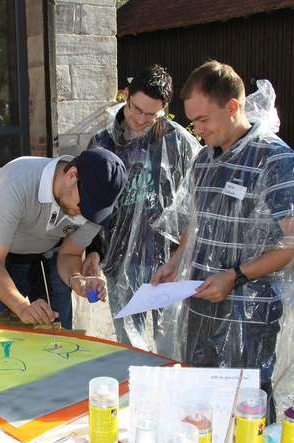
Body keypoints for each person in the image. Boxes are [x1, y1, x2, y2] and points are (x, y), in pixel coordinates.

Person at [151, 61, 294, 408]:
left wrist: (235, 276)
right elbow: (198, 221)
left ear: (233, 107)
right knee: (199, 406)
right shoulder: (204, 160)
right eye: (193, 122)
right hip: (200, 305)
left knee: (247, 409)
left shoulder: (276, 160)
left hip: (249, 313)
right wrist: (176, 263)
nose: (198, 129)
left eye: (204, 120)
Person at [83, 64, 201, 350]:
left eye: (151, 114)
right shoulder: (102, 142)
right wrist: (93, 251)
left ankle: (170, 393)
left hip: (168, 258)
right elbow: (89, 200)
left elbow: (196, 200)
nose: (140, 119)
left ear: (164, 108)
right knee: (128, 344)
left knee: (171, 342)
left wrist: (183, 255)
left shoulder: (178, 141)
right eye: (135, 109)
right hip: (119, 256)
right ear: (126, 95)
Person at [0, 148, 126, 329]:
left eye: (94, 211)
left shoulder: (94, 206)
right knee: (4, 333)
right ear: (71, 175)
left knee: (59, 332)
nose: (85, 214)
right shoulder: (16, 181)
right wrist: (22, 307)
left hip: (49, 248)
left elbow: (70, 254)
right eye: (83, 205)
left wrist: (77, 279)